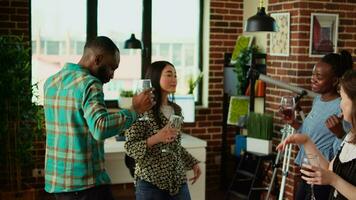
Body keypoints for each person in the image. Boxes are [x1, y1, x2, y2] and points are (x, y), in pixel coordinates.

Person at [43, 36, 153, 200]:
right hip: (85, 183)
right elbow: (100, 128)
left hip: (57, 181)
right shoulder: (90, 84)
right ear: (98, 59)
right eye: (111, 68)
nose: (112, 75)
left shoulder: (51, 82)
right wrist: (134, 110)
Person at [279, 50, 353, 199]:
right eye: (313, 74)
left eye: (318, 77)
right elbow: (308, 136)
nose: (313, 79)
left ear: (334, 81)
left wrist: (339, 133)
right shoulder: (318, 100)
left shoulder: (343, 108)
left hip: (323, 174)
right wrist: (293, 123)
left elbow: (343, 152)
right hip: (308, 169)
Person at [124, 61, 201, 200]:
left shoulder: (176, 110)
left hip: (178, 182)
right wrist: (156, 138)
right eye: (169, 75)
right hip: (150, 184)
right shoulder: (141, 110)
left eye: (175, 75)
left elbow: (174, 145)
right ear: (155, 77)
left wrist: (193, 162)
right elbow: (130, 148)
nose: (174, 79)